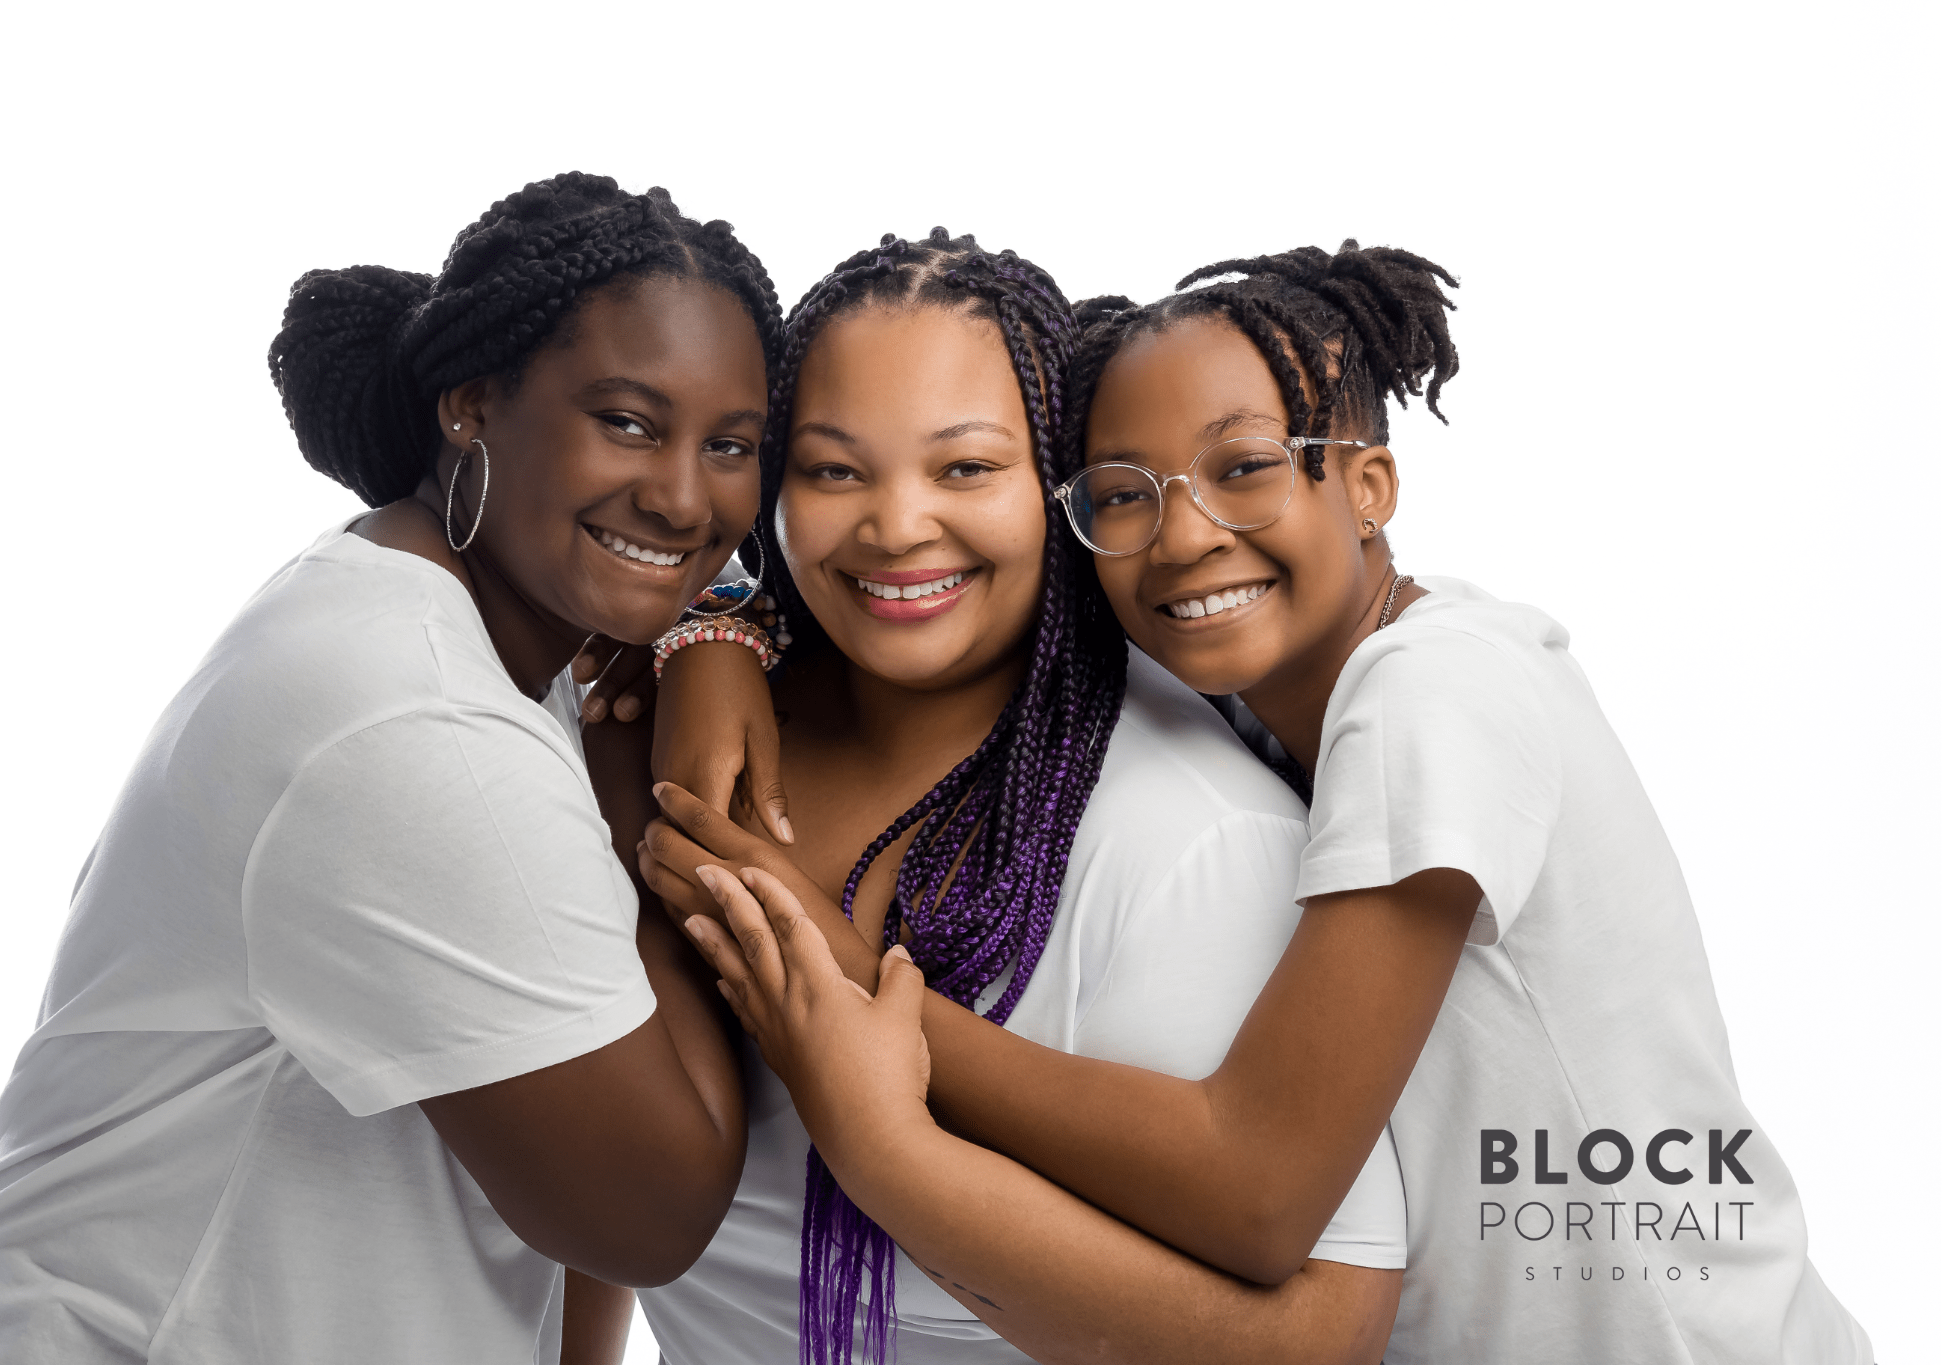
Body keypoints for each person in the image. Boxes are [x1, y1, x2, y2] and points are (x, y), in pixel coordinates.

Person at [651, 242, 1873, 1363]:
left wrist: (860, 1004)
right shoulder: (1249, 688)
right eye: (1122, 492)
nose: (1183, 537)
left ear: (1369, 485)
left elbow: (1257, 1183)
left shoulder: (1429, 696)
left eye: (1242, 470)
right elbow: (872, 522)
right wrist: (713, 631)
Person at [0, 171, 782, 1365]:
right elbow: (647, 1213)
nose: (683, 495)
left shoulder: (481, 633)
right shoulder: (411, 723)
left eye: (729, 444)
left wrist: (705, 631)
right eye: (626, 422)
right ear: (470, 406)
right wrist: (654, 814)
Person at [626, 230, 1403, 1365]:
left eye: (965, 469)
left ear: (1058, 488)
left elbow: (1316, 1345)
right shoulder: (667, 736)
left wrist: (878, 1117)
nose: (895, 527)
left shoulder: (1191, 838)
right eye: (833, 469)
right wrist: (703, 630)